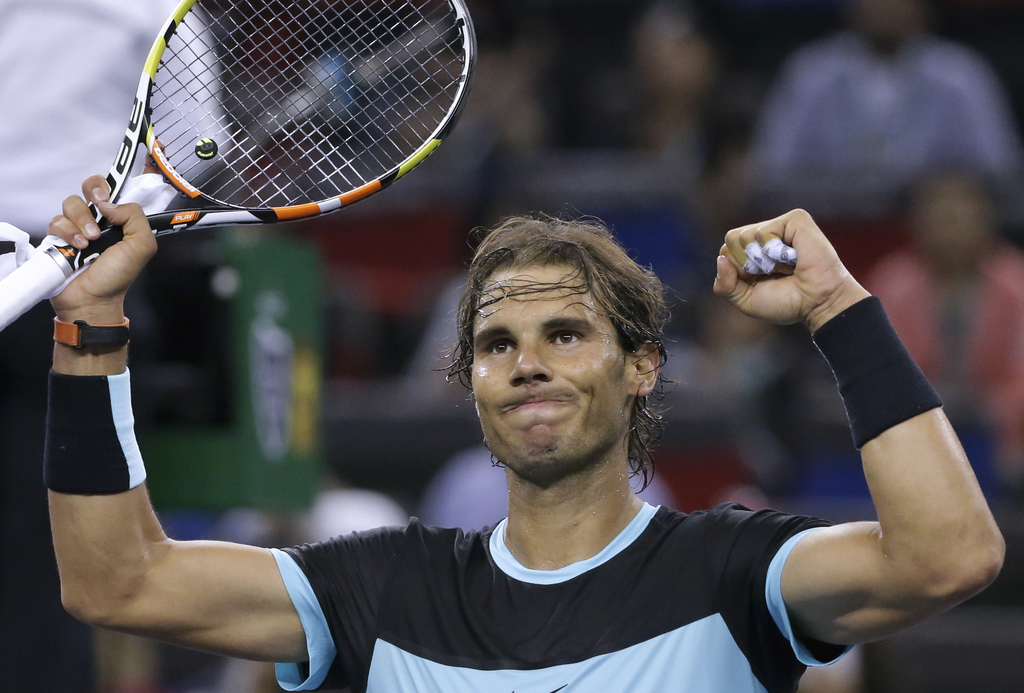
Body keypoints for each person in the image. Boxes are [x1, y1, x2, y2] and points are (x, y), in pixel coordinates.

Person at [42, 174, 1003, 692]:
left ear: (641, 366)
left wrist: (837, 302)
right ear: (473, 386)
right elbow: (113, 578)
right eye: (497, 343)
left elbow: (949, 555)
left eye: (566, 333)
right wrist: (90, 330)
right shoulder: (378, 587)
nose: (528, 362)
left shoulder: (734, 570)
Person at [748, 0, 1024, 218]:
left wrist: (935, 189)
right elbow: (769, 171)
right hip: (829, 233)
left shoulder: (959, 73)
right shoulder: (811, 72)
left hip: (929, 236)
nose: (887, 5)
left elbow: (1000, 171)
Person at [866, 171, 1024, 496]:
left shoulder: (1016, 283)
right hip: (914, 432)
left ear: (988, 219)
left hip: (1002, 437)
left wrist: (989, 410)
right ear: (916, 223)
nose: (950, 227)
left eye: (960, 215)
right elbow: (879, 373)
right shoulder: (892, 283)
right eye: (939, 216)